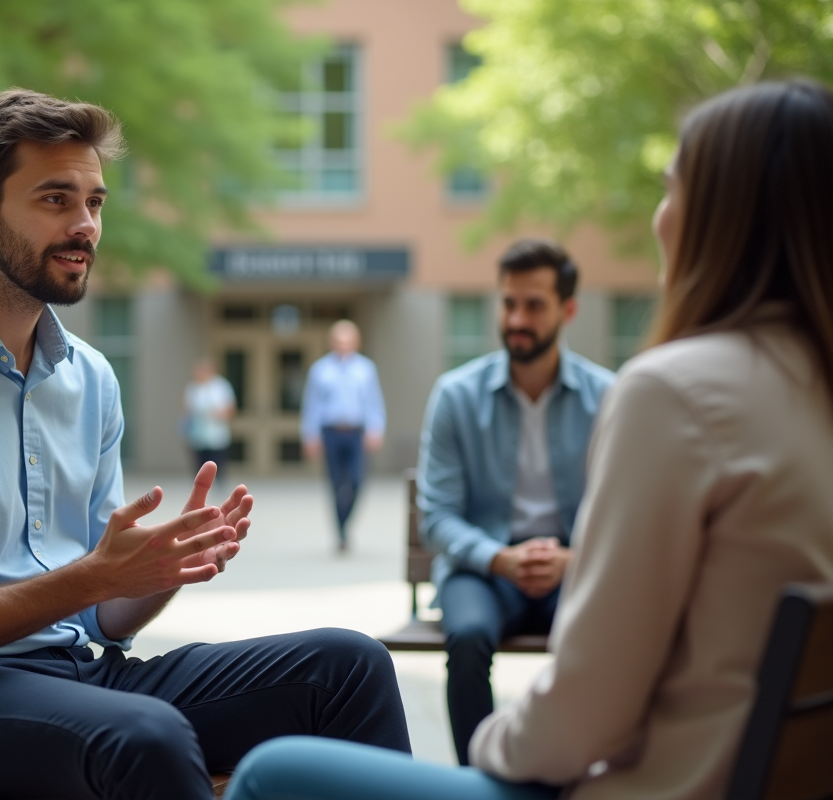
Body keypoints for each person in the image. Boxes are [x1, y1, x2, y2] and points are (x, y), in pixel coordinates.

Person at [221, 77, 833, 800]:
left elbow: (583, 715)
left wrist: (489, 751)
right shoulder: (808, 383)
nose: (659, 218)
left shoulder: (667, 391)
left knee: (270, 771)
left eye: (671, 191)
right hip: (758, 770)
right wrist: (503, 560)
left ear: (723, 217)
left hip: (656, 783)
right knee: (465, 632)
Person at [0, 89, 410, 800]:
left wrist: (154, 571)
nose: (86, 225)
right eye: (56, 200)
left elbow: (100, 617)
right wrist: (95, 577)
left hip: (74, 674)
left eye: (95, 202)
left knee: (349, 666)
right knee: (143, 736)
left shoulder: (89, 377)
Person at [419, 239, 615, 765]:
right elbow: (436, 516)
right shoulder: (456, 395)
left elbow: (626, 513)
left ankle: (581, 773)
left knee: (610, 633)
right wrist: (499, 558)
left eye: (533, 305)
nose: (516, 319)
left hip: (576, 564)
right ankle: (475, 781)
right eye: (508, 303)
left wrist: (575, 559)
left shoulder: (609, 398)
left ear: (567, 310)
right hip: (484, 567)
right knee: (466, 638)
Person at [300, 320, 386, 552]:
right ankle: (340, 533)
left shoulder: (366, 369)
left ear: (356, 342)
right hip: (331, 433)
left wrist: (375, 428)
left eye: (347, 340)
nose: (343, 345)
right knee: (337, 484)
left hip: (356, 433)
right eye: (339, 340)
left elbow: (373, 402)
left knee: (357, 482)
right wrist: (310, 435)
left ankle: (345, 524)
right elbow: (312, 404)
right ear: (332, 343)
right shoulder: (320, 370)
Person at [183, 356, 236, 476]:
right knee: (199, 465)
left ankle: (219, 486)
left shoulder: (221, 386)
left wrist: (218, 414)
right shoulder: (193, 388)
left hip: (216, 434)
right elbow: (186, 410)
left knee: (216, 464)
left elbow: (230, 409)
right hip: (197, 434)